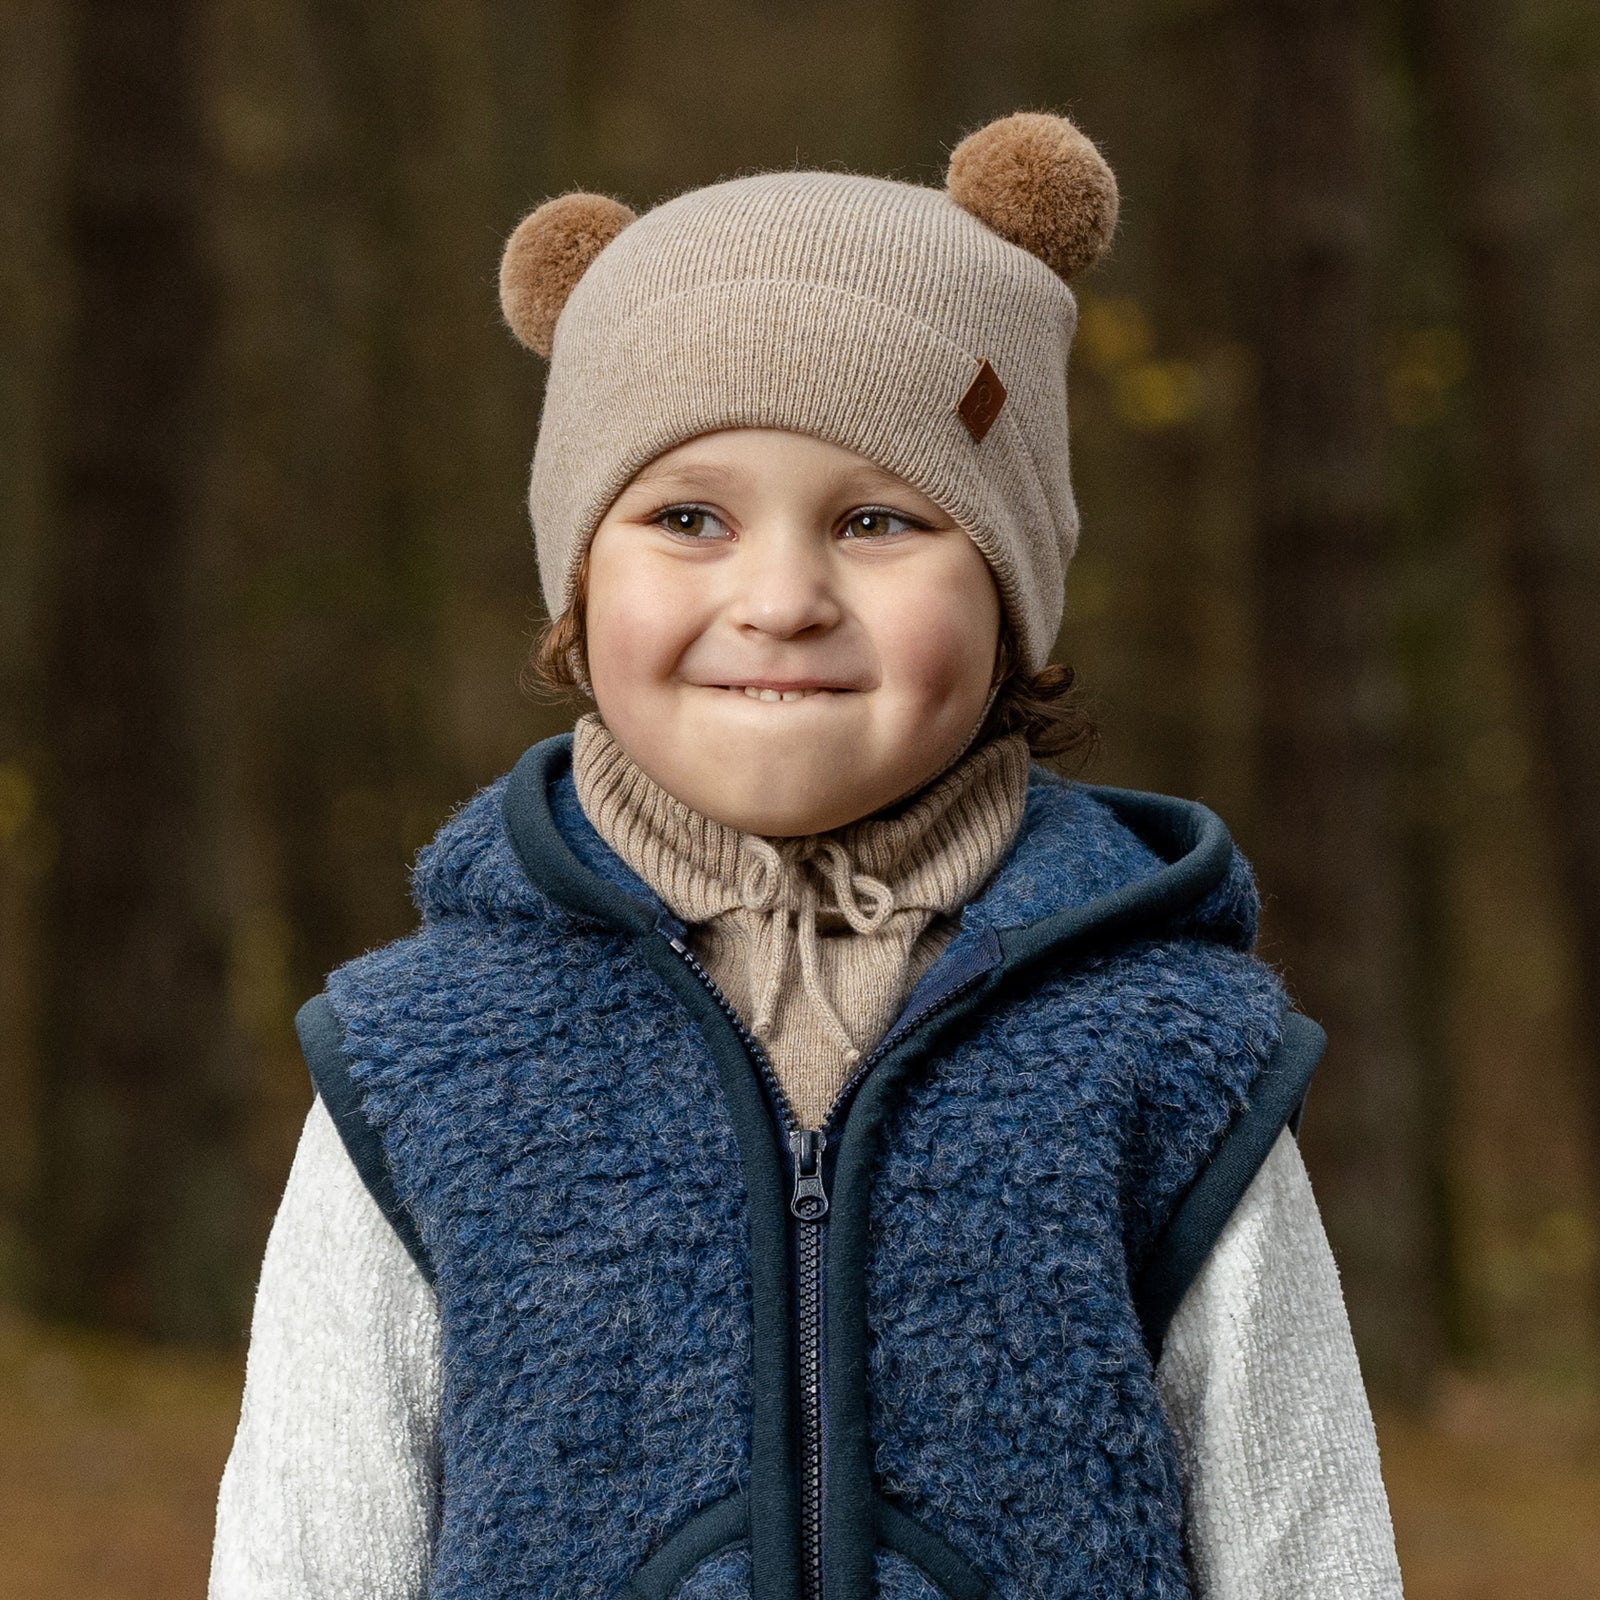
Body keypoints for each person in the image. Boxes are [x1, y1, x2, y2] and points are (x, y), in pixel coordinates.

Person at [208, 111, 1404, 1600]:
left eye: (879, 519)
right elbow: (306, 1551)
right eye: (688, 517)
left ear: (1010, 589)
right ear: (578, 587)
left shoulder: (1169, 1050)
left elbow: (1307, 1543)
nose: (781, 598)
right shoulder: (422, 1062)